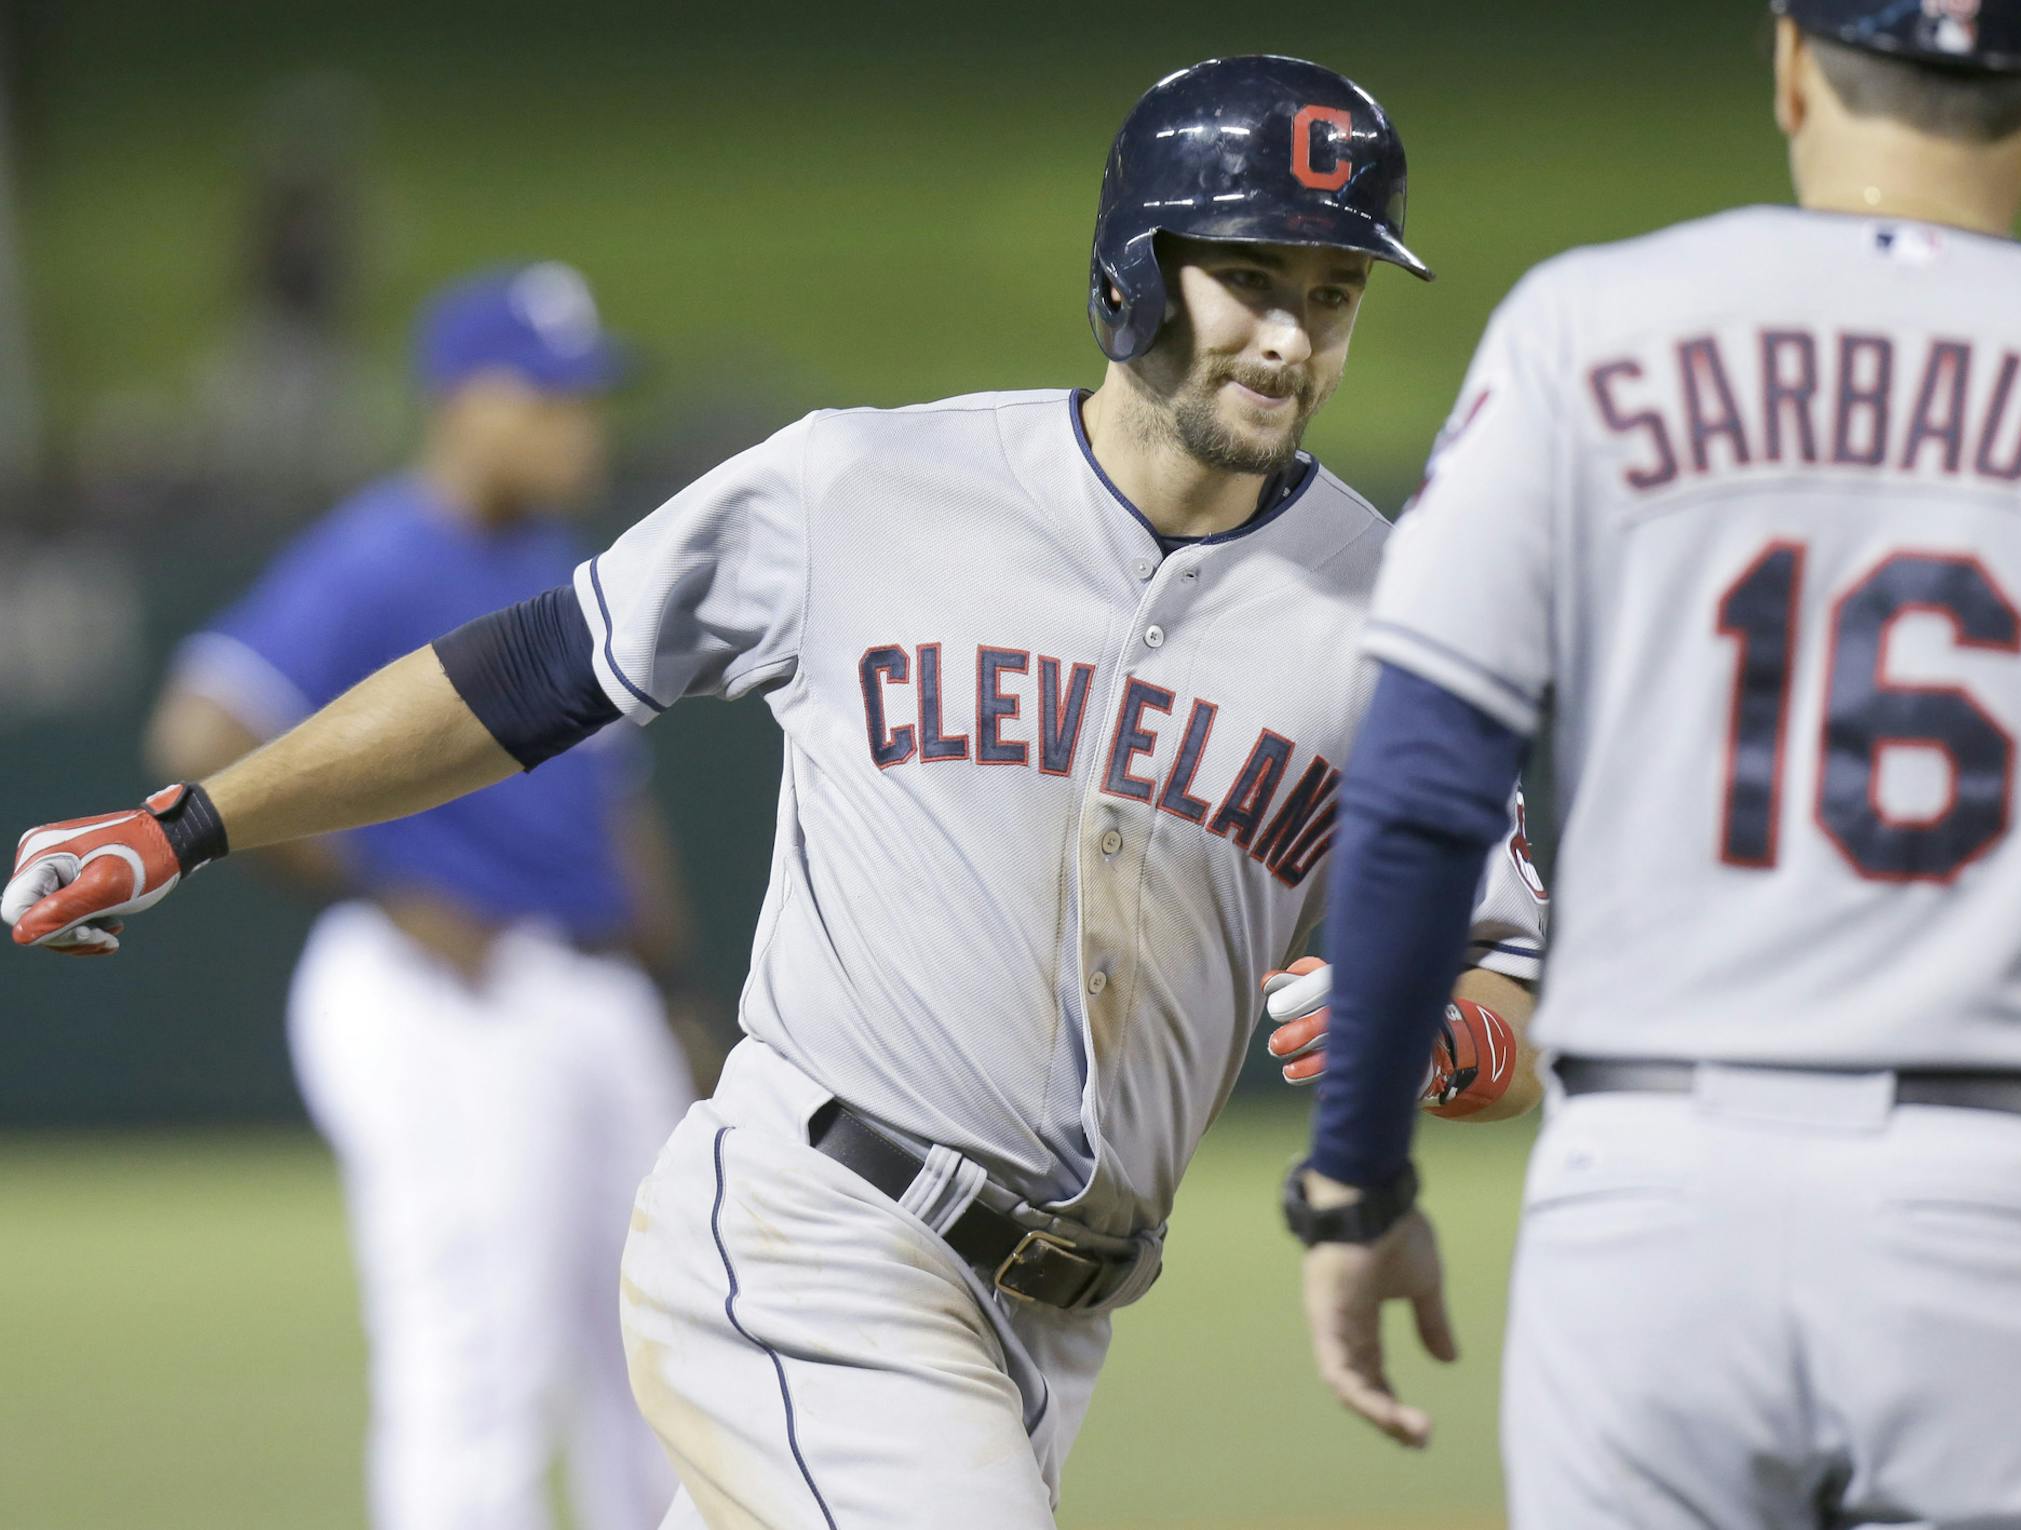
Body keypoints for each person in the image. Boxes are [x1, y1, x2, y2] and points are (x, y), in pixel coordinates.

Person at [4, 58, 1544, 1528]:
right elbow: (535, 672)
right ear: (1136, 269)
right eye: (1254, 279)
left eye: (1332, 295)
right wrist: (187, 822)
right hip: (820, 1229)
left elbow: (1514, 979)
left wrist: (1455, 1029)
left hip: (1056, 1317)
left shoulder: (1403, 610)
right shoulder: (867, 490)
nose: (1293, 336)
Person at [1284, 2, 2021, 1525]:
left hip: (1656, 1199)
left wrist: (1357, 1177)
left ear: (1793, 64)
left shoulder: (1589, 326)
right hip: (2007, 1197)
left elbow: (1425, 780)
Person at [144, 262, 696, 1530]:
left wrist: (668, 991)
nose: (581, 425)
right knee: (477, 1370)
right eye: (549, 397)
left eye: (587, 398)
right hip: (448, 995)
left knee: (672, 1359)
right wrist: (390, 888)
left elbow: (615, 806)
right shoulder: (382, 550)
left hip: (589, 989)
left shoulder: (563, 563)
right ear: (462, 404)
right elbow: (197, 729)